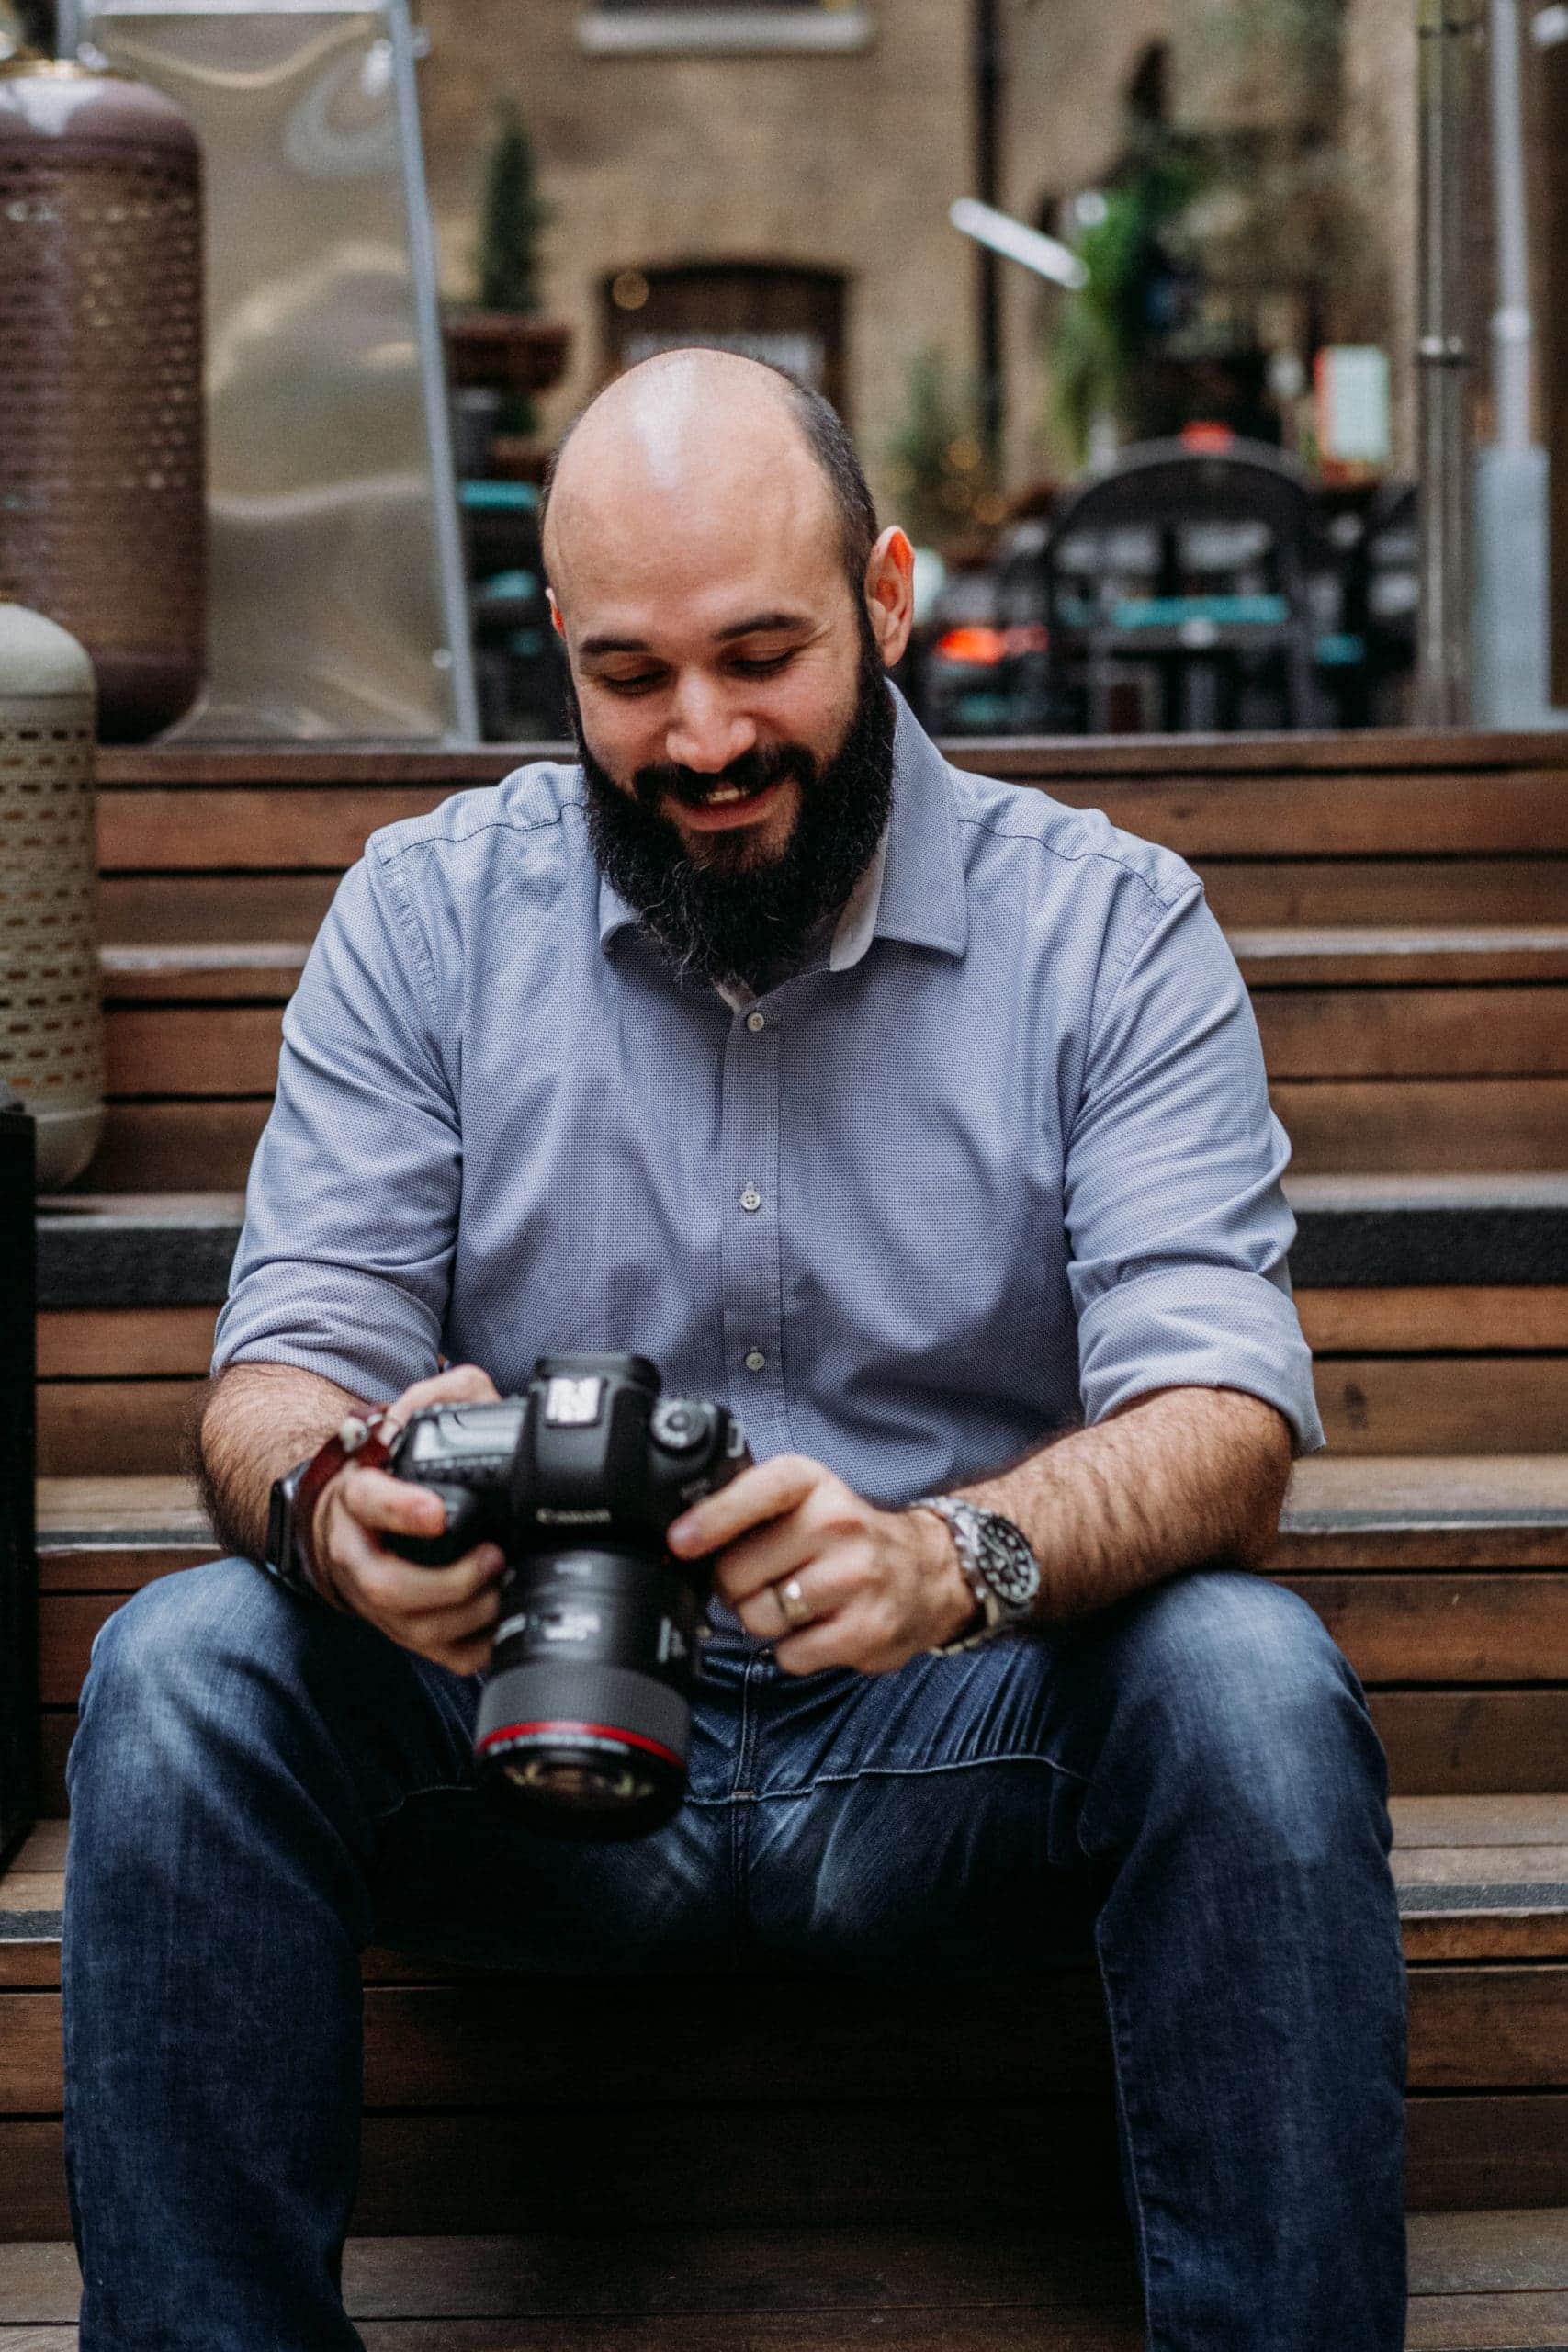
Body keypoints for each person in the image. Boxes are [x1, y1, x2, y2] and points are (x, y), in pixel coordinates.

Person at [62, 350, 1405, 2349]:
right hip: (525, 1726)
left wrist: (948, 1560)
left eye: (759, 653)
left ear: (882, 596)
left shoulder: (1110, 930)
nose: (697, 737)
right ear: (560, 658)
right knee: (179, 1669)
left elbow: (1222, 1411)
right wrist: (340, 1503)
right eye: (626, 676)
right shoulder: (427, 918)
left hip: (953, 1735)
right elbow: (275, 1378)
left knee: (1246, 1677)